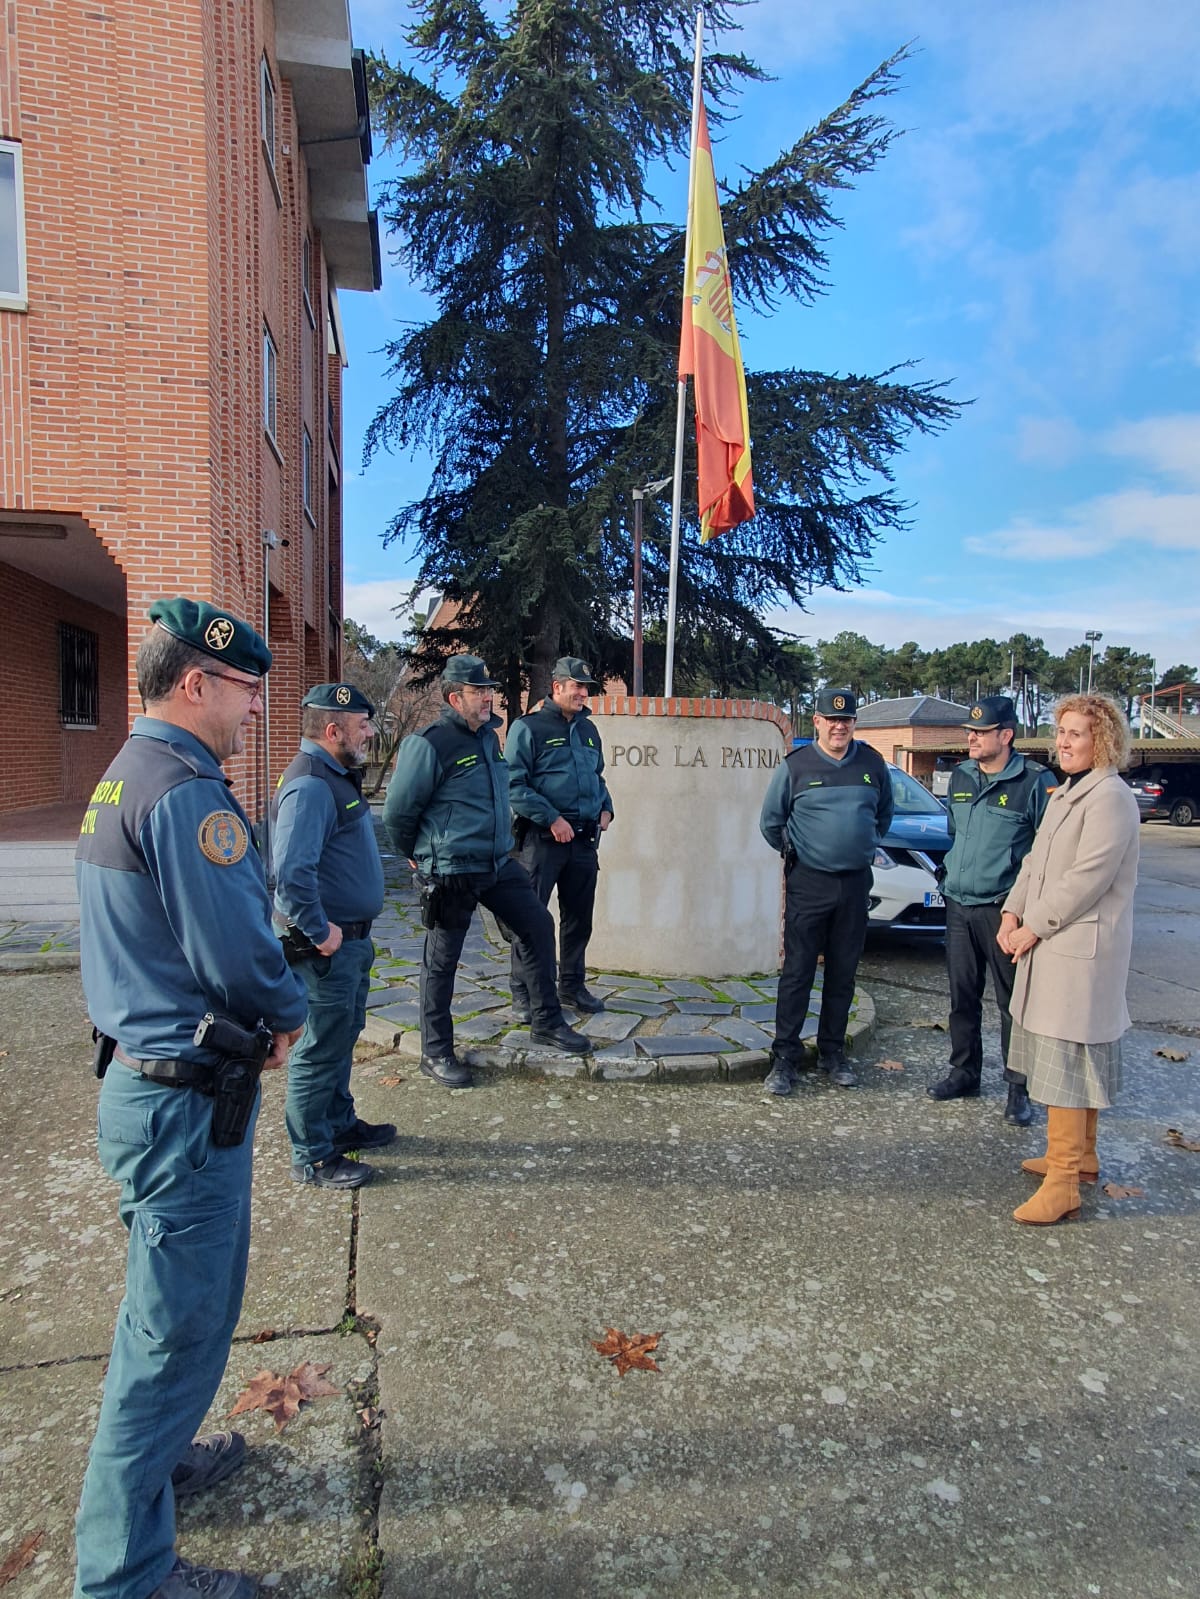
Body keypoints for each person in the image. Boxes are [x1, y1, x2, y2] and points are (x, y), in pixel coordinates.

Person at [74, 598, 307, 1599]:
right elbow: (237, 952)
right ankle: (125, 1574)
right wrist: (287, 1008)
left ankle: (162, 1470)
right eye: (248, 689)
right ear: (195, 683)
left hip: (151, 1090)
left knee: (174, 1319)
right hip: (179, 1107)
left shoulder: (126, 773)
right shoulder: (184, 794)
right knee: (170, 1341)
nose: (256, 708)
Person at [382, 655, 589, 1085]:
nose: (489, 697)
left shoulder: (488, 738)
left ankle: (546, 1021)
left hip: (496, 863)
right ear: (455, 697)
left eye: (489, 690)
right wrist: (418, 855)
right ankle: (436, 1051)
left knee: (536, 924)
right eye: (479, 692)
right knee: (442, 960)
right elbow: (398, 813)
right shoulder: (430, 743)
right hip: (452, 869)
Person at [998, 694, 1139, 1226]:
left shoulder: (1110, 798)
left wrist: (1034, 926)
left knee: (1067, 1062)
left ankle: (1063, 1185)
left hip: (1079, 952)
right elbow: (1036, 861)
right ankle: (1080, 1158)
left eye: (1075, 734)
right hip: (1051, 945)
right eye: (1060, 732)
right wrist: (1012, 913)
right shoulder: (1068, 793)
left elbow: (1088, 879)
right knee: (1066, 1055)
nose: (1063, 742)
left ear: (1101, 740)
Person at [271, 682, 390, 1191]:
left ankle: (339, 1127)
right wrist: (320, 932)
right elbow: (291, 874)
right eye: (362, 724)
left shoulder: (337, 775)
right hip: (327, 949)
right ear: (332, 729)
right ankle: (313, 1155)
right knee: (319, 1047)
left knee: (342, 1035)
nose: (369, 732)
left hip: (349, 942)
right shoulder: (312, 783)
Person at [926, 696, 1058, 1126]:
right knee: (962, 996)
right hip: (960, 905)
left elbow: (1048, 853)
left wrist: (1024, 913)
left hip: (1004, 911)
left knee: (1012, 1003)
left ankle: (1019, 1088)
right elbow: (955, 833)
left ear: (1006, 735)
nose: (972, 738)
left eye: (981, 733)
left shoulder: (1035, 782)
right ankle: (964, 1072)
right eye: (970, 731)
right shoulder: (962, 775)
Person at [759, 687, 893, 1095]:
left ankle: (833, 1052)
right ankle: (785, 1058)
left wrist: (859, 844)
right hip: (809, 884)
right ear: (815, 721)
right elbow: (771, 822)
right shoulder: (796, 767)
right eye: (831, 720)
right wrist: (801, 851)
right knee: (798, 973)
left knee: (842, 973)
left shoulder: (872, 764)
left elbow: (883, 816)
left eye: (847, 720)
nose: (839, 726)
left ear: (854, 723)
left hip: (854, 884)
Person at [506, 655, 614, 1022]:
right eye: (577, 686)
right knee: (530, 917)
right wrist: (551, 817)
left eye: (586, 687)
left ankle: (572, 984)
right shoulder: (529, 728)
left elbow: (597, 778)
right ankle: (523, 990)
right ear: (557, 686)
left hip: (583, 841)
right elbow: (514, 785)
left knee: (578, 919)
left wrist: (607, 807)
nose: (583, 693)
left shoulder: (588, 730)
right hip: (543, 840)